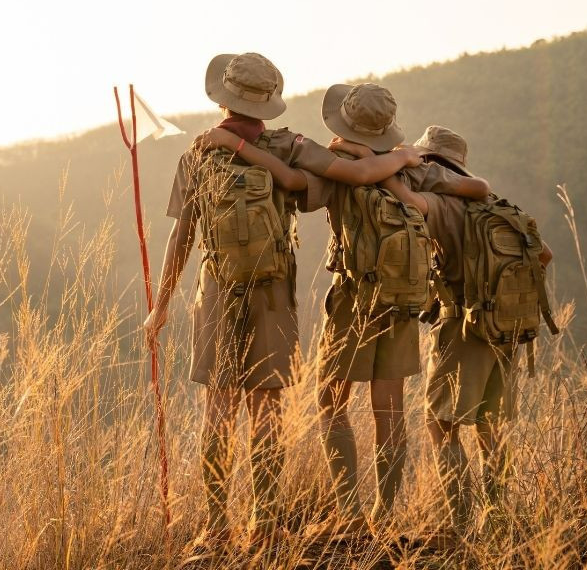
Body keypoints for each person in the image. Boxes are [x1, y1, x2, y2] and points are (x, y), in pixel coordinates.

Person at [141, 54, 424, 556]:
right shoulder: (290, 146)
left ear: (222, 97)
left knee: (218, 410)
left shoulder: (199, 153)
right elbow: (346, 178)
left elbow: (181, 236)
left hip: (217, 288)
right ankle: (266, 524)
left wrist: (160, 305)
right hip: (273, 291)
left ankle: (217, 526)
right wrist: (395, 156)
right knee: (266, 407)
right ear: (268, 103)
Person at [207, 84, 489, 533]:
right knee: (389, 409)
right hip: (400, 303)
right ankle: (384, 512)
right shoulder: (414, 169)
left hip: (352, 300)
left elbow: (294, 183)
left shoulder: (340, 167)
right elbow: (477, 187)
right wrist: (403, 164)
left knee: (331, 404)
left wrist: (244, 146)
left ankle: (351, 514)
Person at [390, 126, 553, 536]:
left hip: (462, 324)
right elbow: (544, 254)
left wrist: (394, 160)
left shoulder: (442, 205)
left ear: (430, 163)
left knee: (439, 423)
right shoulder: (496, 206)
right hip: (506, 327)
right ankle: (496, 519)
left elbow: (404, 198)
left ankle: (457, 523)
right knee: (490, 426)